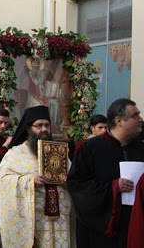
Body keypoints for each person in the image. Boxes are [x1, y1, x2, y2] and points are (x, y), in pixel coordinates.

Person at [68, 98, 144, 247]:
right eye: (135, 116)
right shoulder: (90, 148)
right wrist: (114, 187)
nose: (140, 119)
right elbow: (76, 185)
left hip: (134, 225)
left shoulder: (141, 149)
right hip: (101, 229)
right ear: (119, 120)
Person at [0, 105, 72, 247]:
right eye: (39, 125)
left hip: (60, 219)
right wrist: (29, 181)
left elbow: (74, 179)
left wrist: (68, 181)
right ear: (29, 128)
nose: (44, 129)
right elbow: (2, 180)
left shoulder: (60, 154)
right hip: (34, 222)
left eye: (47, 125)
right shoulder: (15, 154)